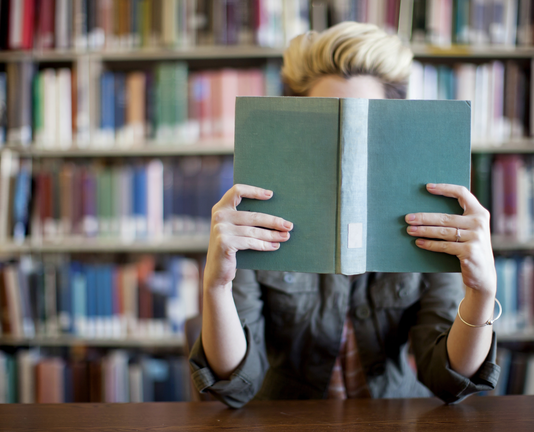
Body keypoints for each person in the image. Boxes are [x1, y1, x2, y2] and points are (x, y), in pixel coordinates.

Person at [189, 22, 500, 408]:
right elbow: (236, 382)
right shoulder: (260, 216)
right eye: (329, 128)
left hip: (394, 416)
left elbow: (448, 378)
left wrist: (482, 293)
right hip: (287, 418)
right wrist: (215, 288)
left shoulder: (430, 213)